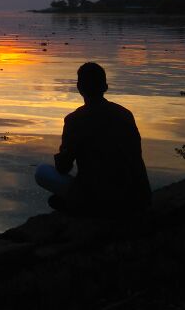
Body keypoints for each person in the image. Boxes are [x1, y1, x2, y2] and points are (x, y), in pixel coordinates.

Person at [35, 62, 151, 216]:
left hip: (100, 200)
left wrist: (62, 156)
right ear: (105, 87)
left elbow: (64, 167)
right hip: (137, 196)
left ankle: (83, 209)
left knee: (42, 172)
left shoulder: (74, 120)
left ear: (79, 88)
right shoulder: (125, 114)